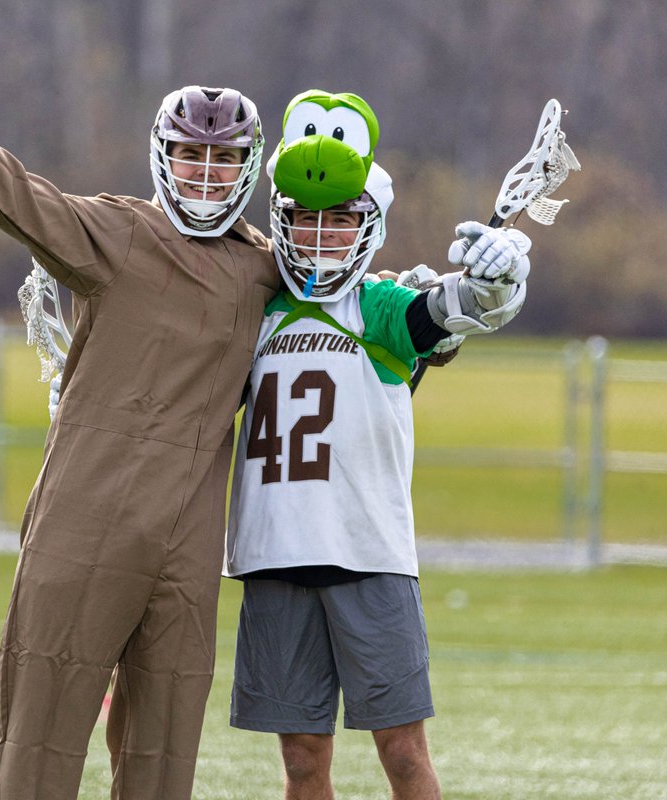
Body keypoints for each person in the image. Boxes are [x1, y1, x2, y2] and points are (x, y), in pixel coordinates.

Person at [0, 47, 279, 799]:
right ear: (162, 158)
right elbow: (24, 199)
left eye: (222, 158)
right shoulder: (121, 231)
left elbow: (354, 317)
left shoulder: (265, 268)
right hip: (85, 517)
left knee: (165, 753)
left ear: (249, 166)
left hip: (190, 538)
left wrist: (450, 311)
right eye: (189, 156)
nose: (205, 172)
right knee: (41, 737)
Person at [223, 90, 531, 800]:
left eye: (340, 221)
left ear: (370, 224)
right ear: (282, 219)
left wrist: (497, 279)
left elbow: (454, 309)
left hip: (370, 556)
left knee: (403, 753)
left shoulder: (380, 306)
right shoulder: (250, 312)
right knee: (302, 760)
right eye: (305, 219)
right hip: (274, 555)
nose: (321, 234)